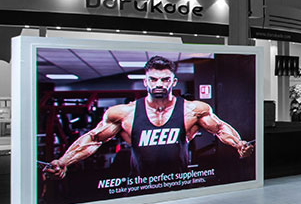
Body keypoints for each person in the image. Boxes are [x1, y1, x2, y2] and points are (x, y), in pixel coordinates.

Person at [43, 56, 253, 179]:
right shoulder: (124, 113)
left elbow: (220, 128)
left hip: (179, 183)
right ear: (146, 82)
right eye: (153, 79)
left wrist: (238, 144)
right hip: (139, 185)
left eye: (165, 79)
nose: (159, 84)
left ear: (173, 82)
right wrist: (63, 161)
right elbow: (93, 138)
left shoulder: (193, 110)